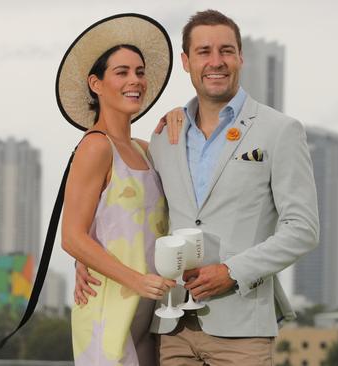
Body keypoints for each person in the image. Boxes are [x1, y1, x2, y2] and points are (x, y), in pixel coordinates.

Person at [76, 9, 320, 365]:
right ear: (187, 62)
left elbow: (303, 230)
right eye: (204, 52)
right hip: (171, 328)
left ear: (240, 57)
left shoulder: (280, 131)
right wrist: (86, 256)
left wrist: (232, 272)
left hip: (243, 330)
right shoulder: (163, 139)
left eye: (226, 51)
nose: (216, 61)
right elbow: (134, 208)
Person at [57, 14, 177, 366]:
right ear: (96, 83)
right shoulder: (95, 147)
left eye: (139, 72)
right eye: (121, 72)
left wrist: (178, 118)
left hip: (147, 312)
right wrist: (137, 280)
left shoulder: (144, 149)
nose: (135, 80)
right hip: (109, 308)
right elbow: (72, 237)